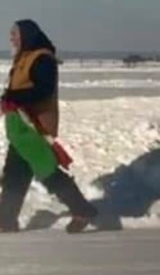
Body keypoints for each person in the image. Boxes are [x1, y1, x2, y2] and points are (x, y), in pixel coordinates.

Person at [0, 20, 97, 233]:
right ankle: (6, 220)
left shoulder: (42, 58)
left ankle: (82, 209)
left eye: (15, 34)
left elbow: (42, 90)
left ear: (27, 35)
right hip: (20, 128)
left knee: (46, 170)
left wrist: (12, 98)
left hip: (35, 126)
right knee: (15, 173)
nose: (12, 38)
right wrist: (8, 100)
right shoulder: (24, 57)